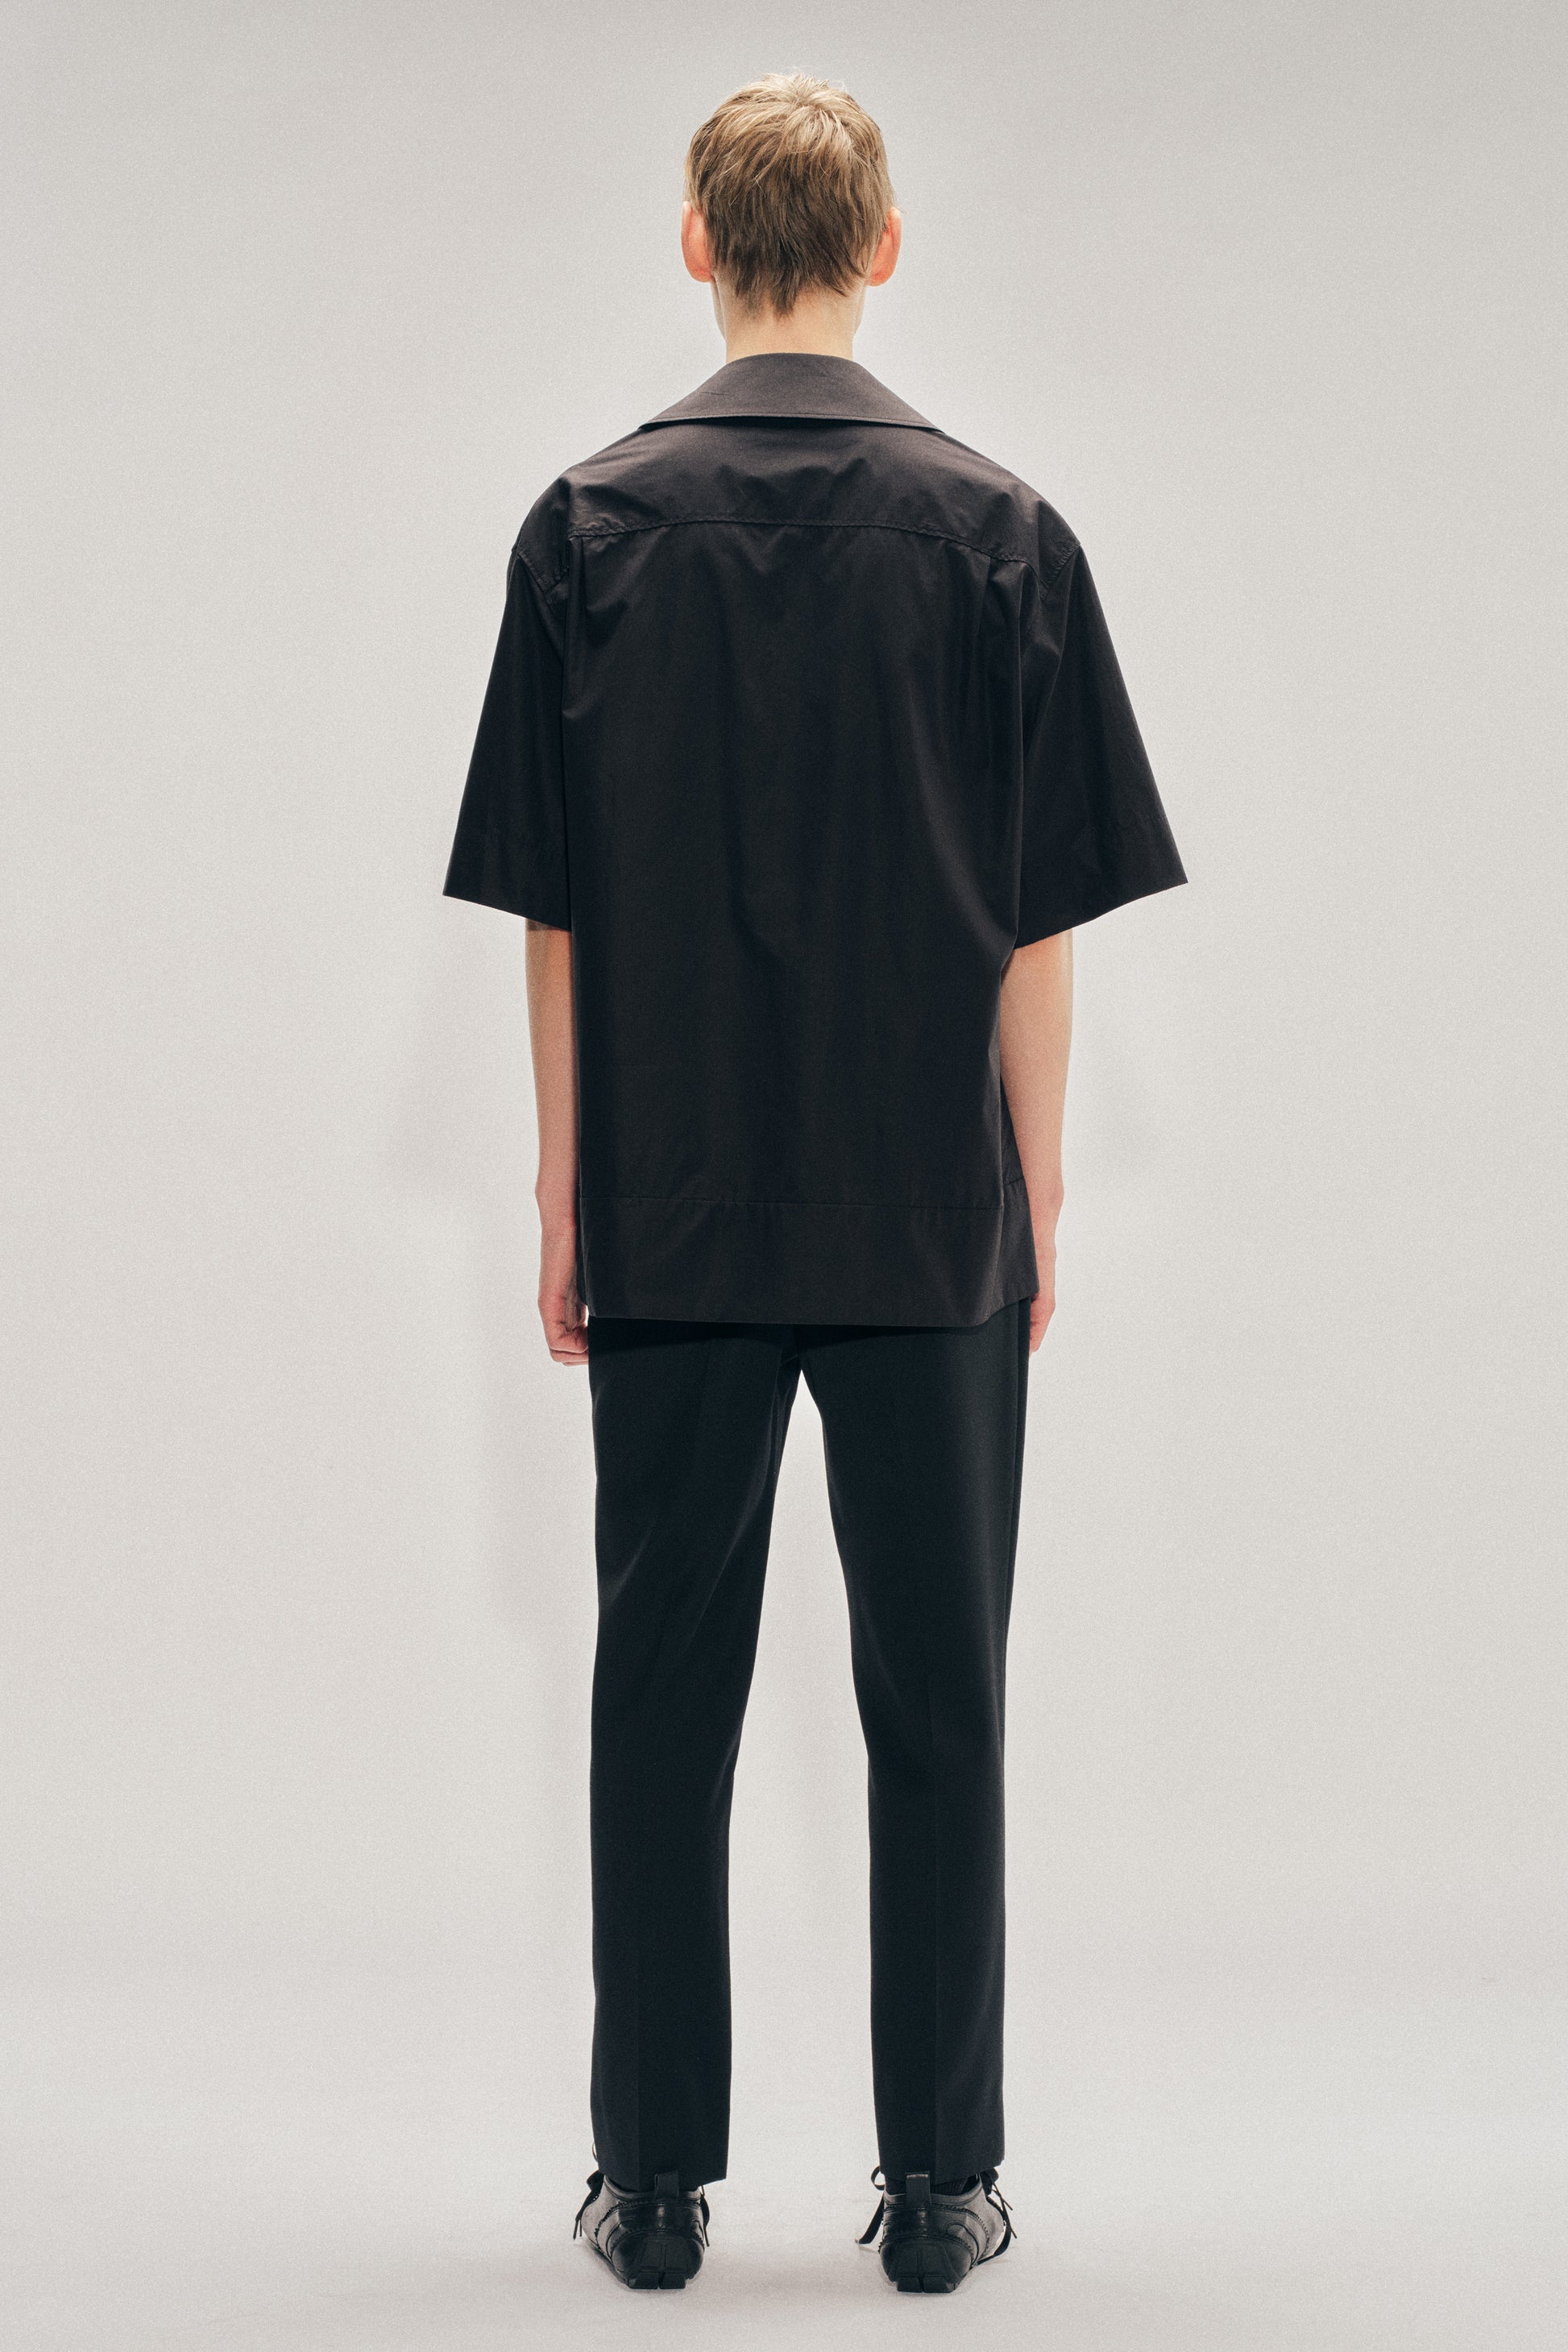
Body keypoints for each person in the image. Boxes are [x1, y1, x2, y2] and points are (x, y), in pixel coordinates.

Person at [443, 73, 1185, 2296]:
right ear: (884, 245)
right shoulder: (1003, 538)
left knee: (657, 1694)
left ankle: (654, 2181)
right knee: (939, 1696)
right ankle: (941, 2185)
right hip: (923, 1205)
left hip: (672, 1198)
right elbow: (1033, 923)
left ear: (696, 242)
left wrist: (564, 1191)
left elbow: (556, 911)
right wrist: (1033, 1180)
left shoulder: (586, 530)